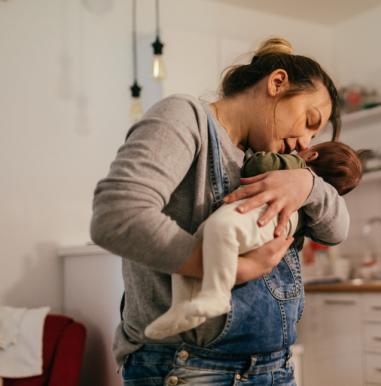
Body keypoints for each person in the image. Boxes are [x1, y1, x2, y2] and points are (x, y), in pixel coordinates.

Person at [90, 37, 348, 385]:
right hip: (191, 368)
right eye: (309, 120)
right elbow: (115, 215)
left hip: (274, 368)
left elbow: (337, 231)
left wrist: (307, 184)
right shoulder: (186, 117)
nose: (305, 142)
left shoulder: (278, 165)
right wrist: (228, 269)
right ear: (276, 83)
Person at [145, 142, 363, 340]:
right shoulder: (313, 208)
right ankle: (182, 307)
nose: (301, 143)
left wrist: (291, 162)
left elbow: (257, 165)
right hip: (270, 226)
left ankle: (216, 294)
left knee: (220, 229)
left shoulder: (294, 165)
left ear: (311, 154)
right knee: (195, 245)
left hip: (266, 215)